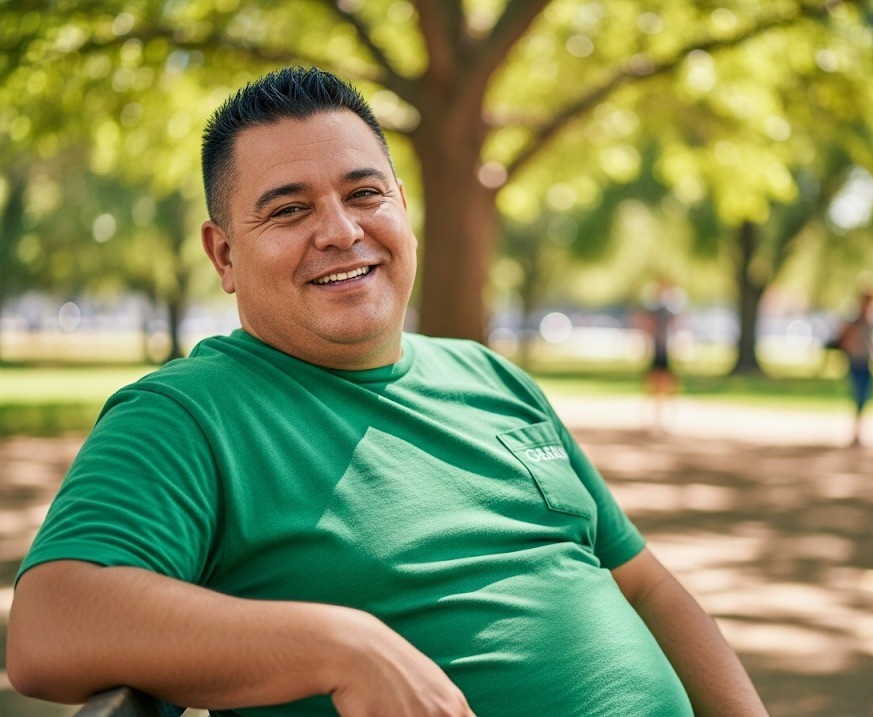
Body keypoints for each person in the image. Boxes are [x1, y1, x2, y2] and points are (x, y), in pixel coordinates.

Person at [8, 67, 769, 717]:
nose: (340, 231)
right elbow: (47, 625)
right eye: (289, 209)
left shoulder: (492, 377)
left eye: (363, 193)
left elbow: (644, 584)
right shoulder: (188, 413)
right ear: (224, 253)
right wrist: (343, 645)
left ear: (402, 206)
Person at [639, 278, 685, 431]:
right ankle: (654, 416)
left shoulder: (670, 310)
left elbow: (677, 326)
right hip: (657, 349)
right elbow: (648, 326)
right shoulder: (655, 310)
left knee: (668, 383)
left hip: (665, 349)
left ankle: (667, 415)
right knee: (654, 383)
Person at [836, 289, 873, 446]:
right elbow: (843, 338)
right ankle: (855, 429)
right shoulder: (855, 321)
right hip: (856, 361)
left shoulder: (871, 321)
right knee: (858, 393)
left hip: (866, 362)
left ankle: (859, 429)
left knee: (865, 395)